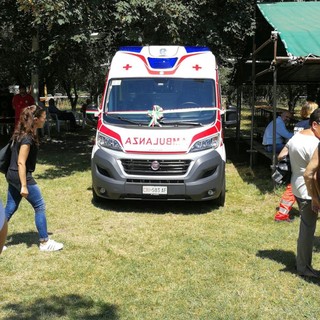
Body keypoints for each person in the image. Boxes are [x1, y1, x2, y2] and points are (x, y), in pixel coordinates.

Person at [4, 105, 63, 251]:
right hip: (20, 176)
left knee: (10, 208)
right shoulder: (27, 138)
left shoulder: (22, 133)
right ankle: (44, 242)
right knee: (39, 206)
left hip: (11, 175)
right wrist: (24, 185)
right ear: (35, 119)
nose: (45, 119)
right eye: (44, 117)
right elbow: (21, 162)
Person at [277, 109, 320, 278]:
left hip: (296, 186)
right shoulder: (314, 144)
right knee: (308, 230)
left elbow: (281, 156)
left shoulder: (297, 136)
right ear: (315, 124)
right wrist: (315, 197)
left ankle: (303, 265)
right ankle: (304, 268)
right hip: (310, 191)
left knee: (306, 227)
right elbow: (313, 174)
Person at [274, 101, 319, 222]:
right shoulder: (309, 125)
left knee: (292, 188)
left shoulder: (298, 123)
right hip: (306, 159)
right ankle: (284, 214)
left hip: (293, 157)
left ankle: (282, 213)